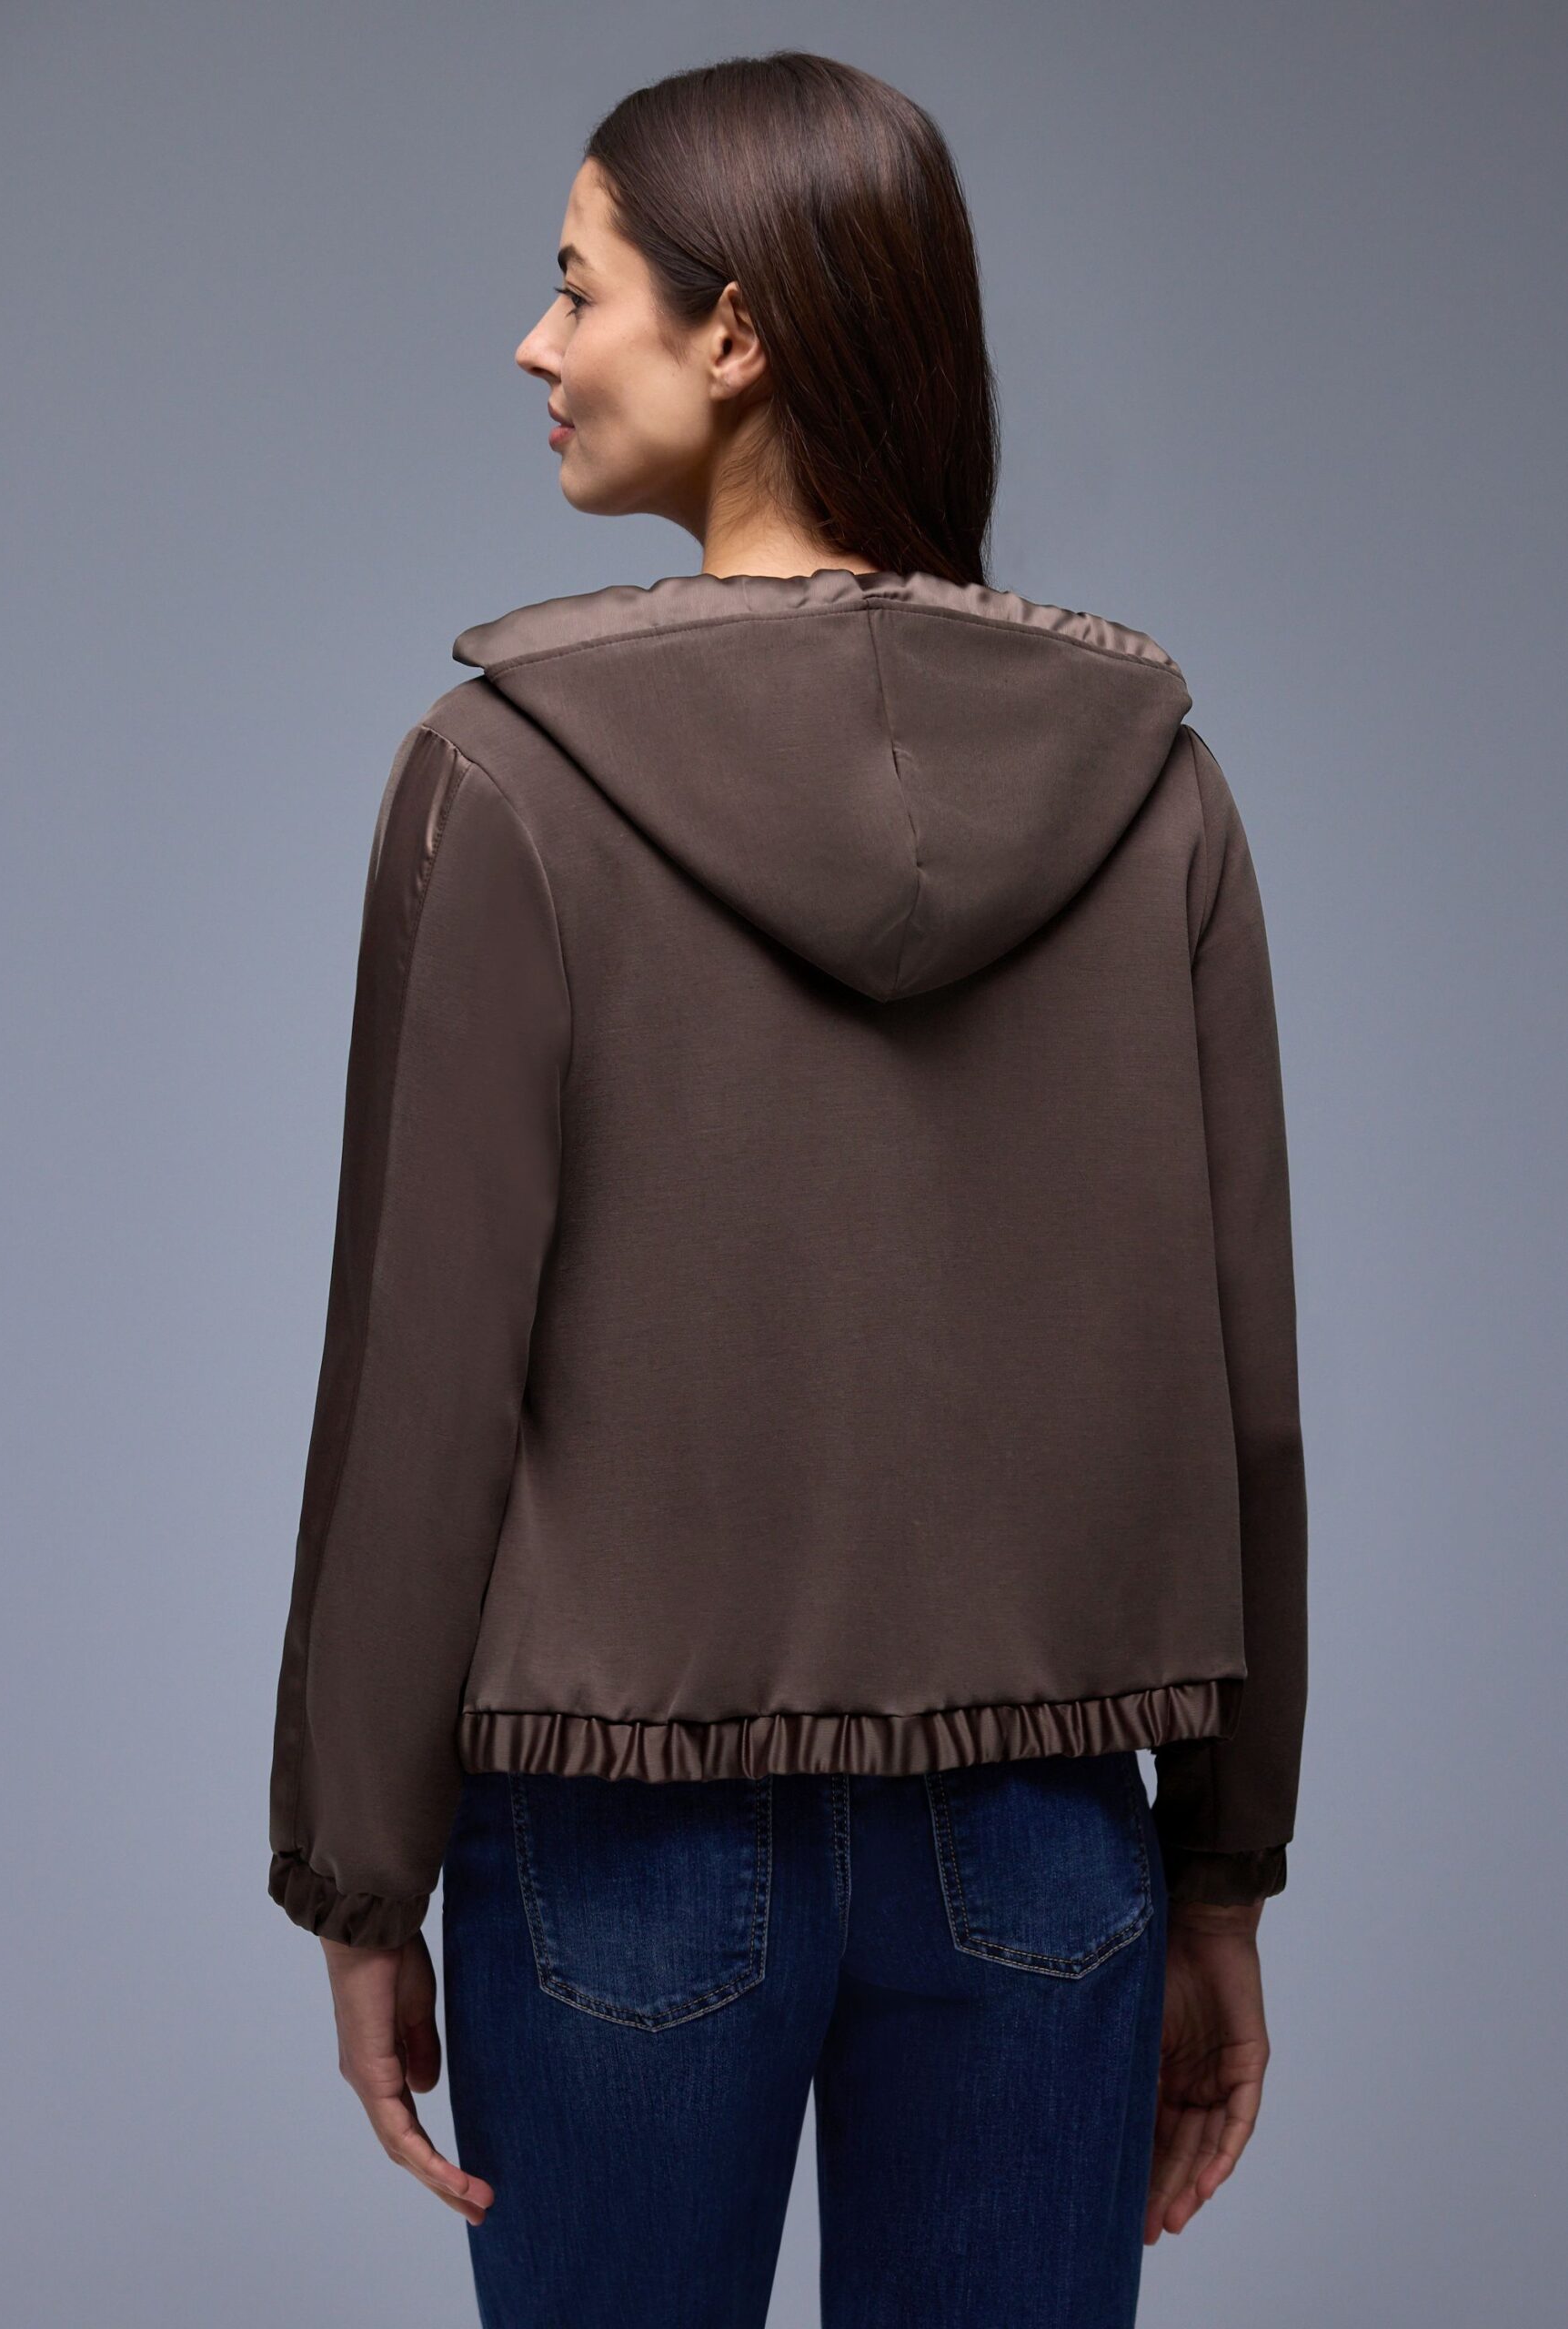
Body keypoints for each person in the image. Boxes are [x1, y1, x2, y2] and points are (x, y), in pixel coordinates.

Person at [266, 50, 1307, 2329]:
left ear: (732, 331)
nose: (534, 343)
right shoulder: (1160, 795)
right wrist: (1225, 1864)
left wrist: (357, 1879)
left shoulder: (503, 779)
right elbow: (1243, 1385)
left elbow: (423, 1382)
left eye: (577, 287)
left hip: (617, 1837)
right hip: (1049, 1825)